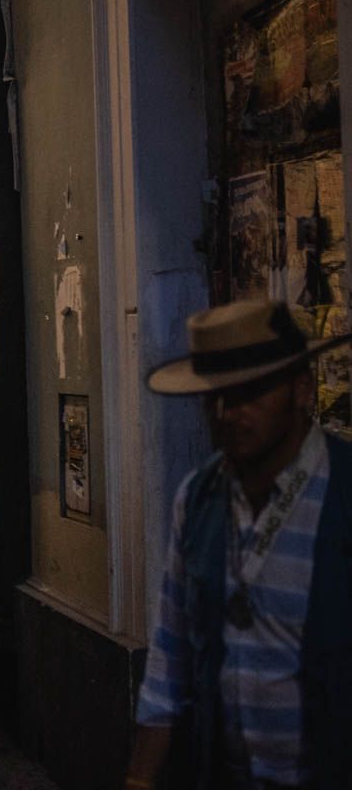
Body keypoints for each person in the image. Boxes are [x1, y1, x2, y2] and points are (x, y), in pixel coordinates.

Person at [126, 300, 352, 790]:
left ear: (301, 389)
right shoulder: (200, 497)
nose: (229, 413)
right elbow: (169, 657)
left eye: (249, 393)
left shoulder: (343, 494)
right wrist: (140, 781)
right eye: (216, 397)